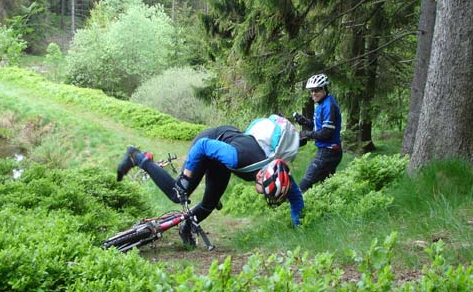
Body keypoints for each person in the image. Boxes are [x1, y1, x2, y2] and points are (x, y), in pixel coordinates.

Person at [116, 125, 304, 247]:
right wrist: (188, 174)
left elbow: (296, 199)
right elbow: (204, 146)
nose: (266, 196)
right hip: (207, 146)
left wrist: (300, 229)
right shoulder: (236, 158)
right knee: (178, 193)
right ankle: (137, 157)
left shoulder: (280, 174)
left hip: (221, 159)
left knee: (209, 203)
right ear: (262, 176)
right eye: (267, 193)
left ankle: (187, 226)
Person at [294, 73, 342, 192]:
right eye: (312, 91)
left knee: (305, 184)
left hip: (328, 152)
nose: (313, 93)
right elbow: (318, 127)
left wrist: (306, 134)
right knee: (326, 187)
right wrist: (304, 121)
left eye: (317, 90)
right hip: (330, 151)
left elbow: (326, 133)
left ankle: (297, 209)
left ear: (325, 89)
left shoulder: (328, 106)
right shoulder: (322, 104)